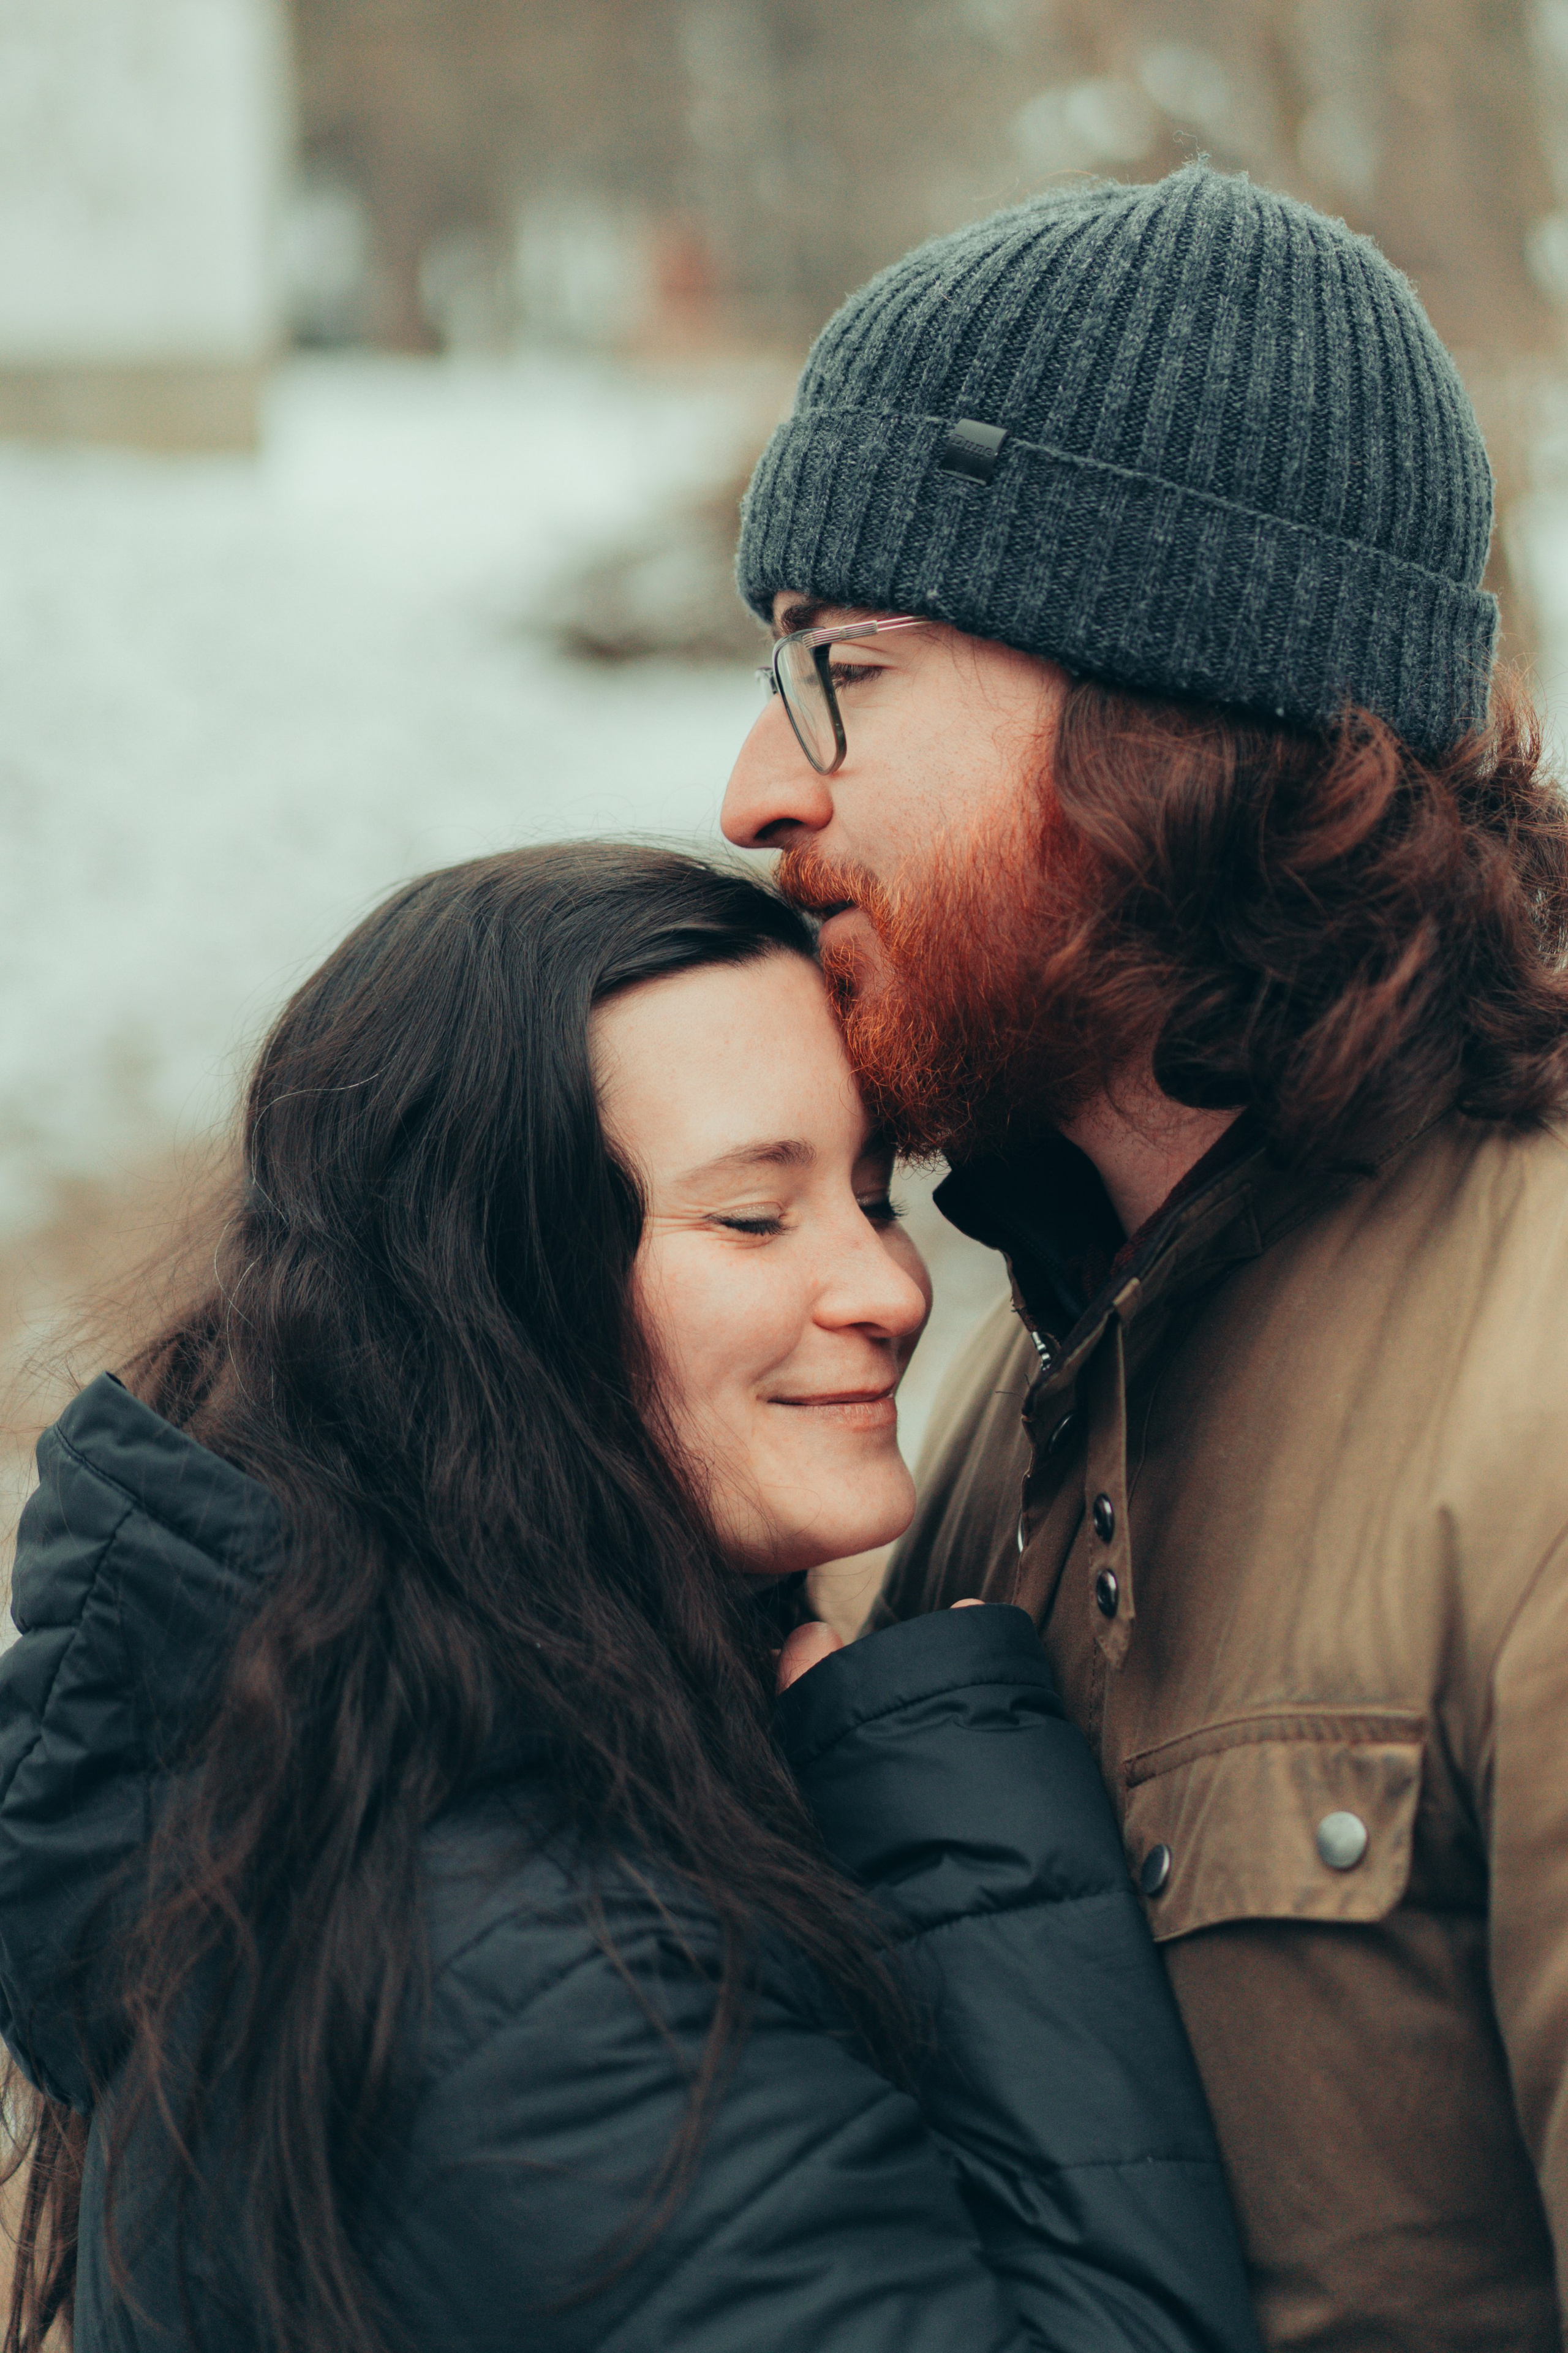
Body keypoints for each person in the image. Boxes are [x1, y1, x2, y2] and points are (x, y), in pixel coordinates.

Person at [0, 844, 1258, 2353]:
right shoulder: (528, 1969)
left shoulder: (384, 1800)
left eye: (872, 1199)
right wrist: (951, 1820)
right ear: (492, 1299)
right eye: (751, 1217)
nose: (887, 1288)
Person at [722, 162, 1568, 2352]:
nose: (750, 787)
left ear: (1162, 707)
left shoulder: (1544, 1367)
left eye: (846, 673)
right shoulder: (1019, 1374)